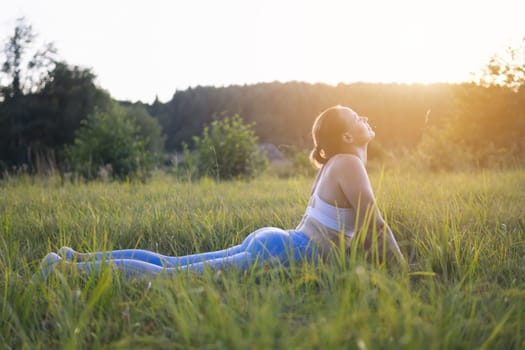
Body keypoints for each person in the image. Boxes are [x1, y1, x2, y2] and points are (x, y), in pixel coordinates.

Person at [35, 105, 405, 280]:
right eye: (358, 118)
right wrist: (406, 274)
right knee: (171, 277)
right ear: (345, 136)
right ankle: (63, 271)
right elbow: (375, 226)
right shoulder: (348, 164)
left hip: (279, 244)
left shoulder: (335, 165)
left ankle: (76, 257)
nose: (366, 119)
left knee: (171, 264)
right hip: (286, 253)